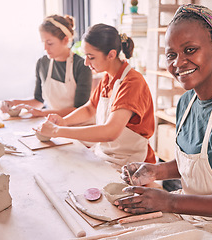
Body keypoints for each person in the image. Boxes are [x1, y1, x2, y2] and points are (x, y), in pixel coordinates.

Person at [115, 4, 212, 239]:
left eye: (190, 50)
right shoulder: (187, 102)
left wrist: (170, 201)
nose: (178, 63)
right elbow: (201, 163)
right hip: (196, 222)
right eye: (171, 55)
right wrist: (156, 171)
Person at [36, 23, 156, 167]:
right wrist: (64, 121)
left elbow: (110, 132)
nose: (86, 63)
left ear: (111, 54)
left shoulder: (132, 83)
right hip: (107, 154)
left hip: (132, 163)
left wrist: (57, 131)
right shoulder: (108, 77)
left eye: (91, 57)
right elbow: (90, 108)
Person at [1, 15, 92, 117]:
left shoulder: (82, 66)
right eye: (43, 42)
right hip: (53, 123)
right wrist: (14, 103)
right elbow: (38, 101)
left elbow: (80, 110)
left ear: (65, 40)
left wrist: (41, 113)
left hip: (79, 126)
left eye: (50, 43)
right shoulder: (42, 63)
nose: (45, 48)